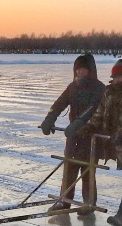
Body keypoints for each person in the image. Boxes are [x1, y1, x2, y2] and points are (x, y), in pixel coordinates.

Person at [66, 58, 122, 226]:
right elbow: (100, 114)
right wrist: (87, 128)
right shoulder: (110, 92)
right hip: (119, 142)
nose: (116, 80)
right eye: (114, 77)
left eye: (120, 77)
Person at [40, 53, 106, 215]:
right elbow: (59, 103)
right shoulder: (73, 86)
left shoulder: (99, 88)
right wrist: (50, 118)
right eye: (77, 70)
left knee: (87, 169)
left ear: (90, 71)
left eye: (83, 70)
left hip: (90, 135)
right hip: (73, 135)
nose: (80, 73)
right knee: (69, 166)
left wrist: (77, 124)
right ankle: (64, 201)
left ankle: (88, 203)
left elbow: (93, 109)